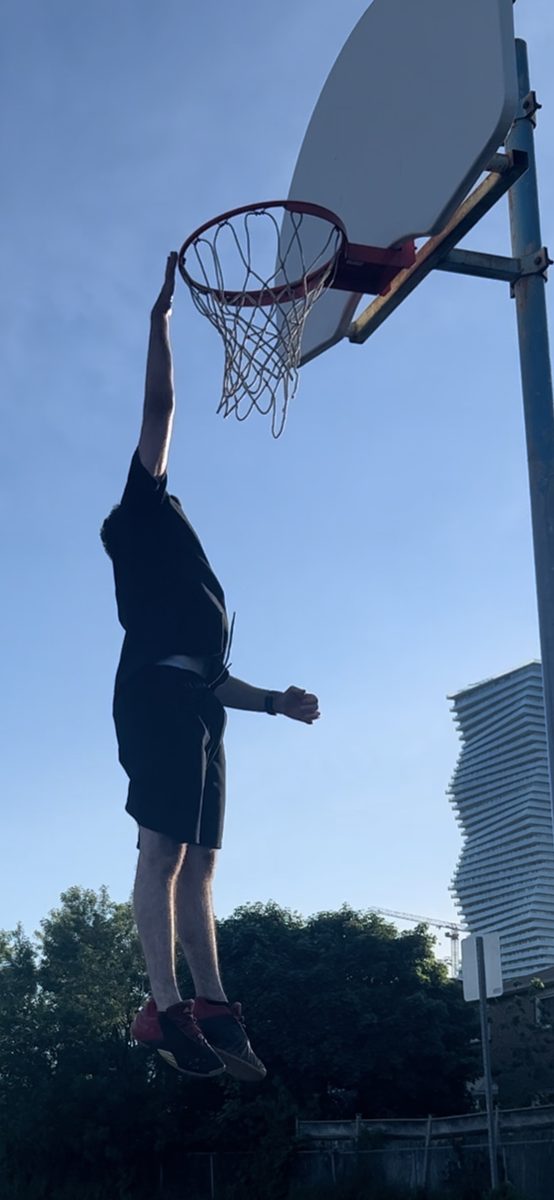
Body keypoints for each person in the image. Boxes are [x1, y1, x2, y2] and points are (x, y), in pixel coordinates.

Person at [100, 252, 320, 1082]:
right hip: (155, 694)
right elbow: (160, 409)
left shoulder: (189, 585)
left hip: (198, 699)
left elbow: (213, 673)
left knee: (202, 863)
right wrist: (159, 326)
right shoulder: (141, 515)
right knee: (161, 848)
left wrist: (274, 702)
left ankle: (213, 1000)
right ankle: (162, 1006)